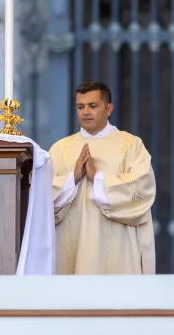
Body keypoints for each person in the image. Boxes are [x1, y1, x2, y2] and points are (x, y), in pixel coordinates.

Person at [49, 81, 155, 274]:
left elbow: (142, 189)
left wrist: (97, 178)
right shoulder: (60, 149)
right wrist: (73, 177)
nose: (85, 112)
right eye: (80, 107)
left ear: (109, 108)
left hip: (118, 245)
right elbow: (43, 198)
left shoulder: (131, 145)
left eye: (92, 106)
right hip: (72, 241)